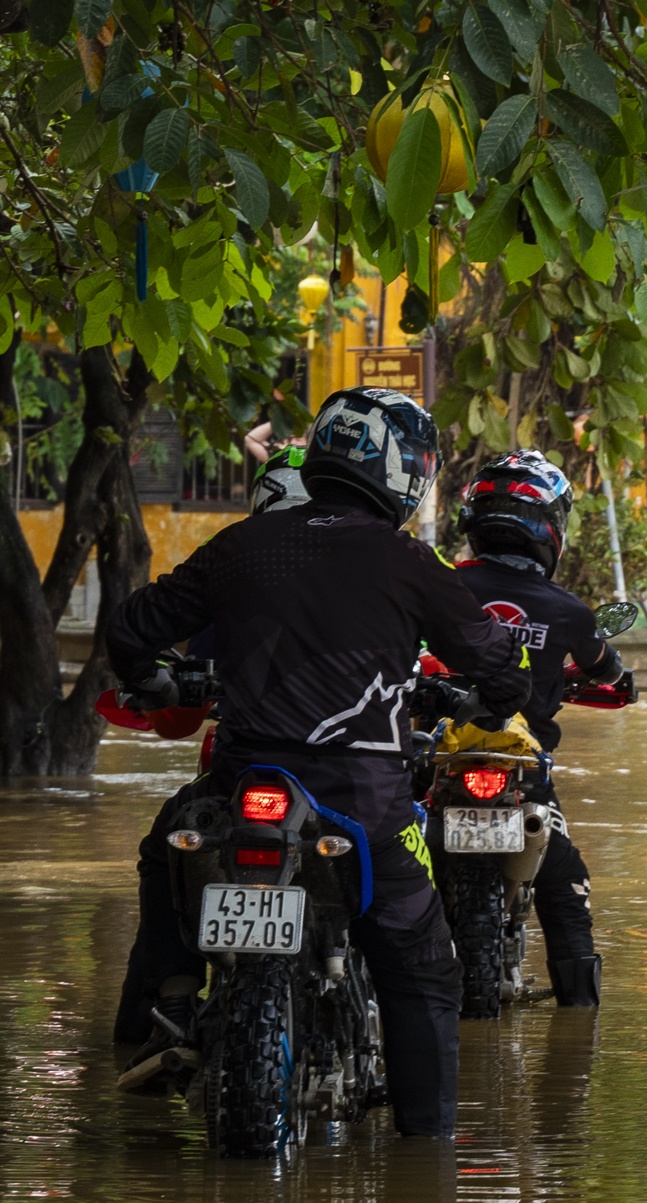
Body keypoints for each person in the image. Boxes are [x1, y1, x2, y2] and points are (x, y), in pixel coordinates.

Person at [107, 387, 531, 1138]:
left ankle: (168, 1008)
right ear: (406, 473)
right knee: (425, 967)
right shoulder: (411, 562)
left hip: (242, 787)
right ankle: (424, 1166)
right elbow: (493, 659)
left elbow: (135, 625)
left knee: (164, 850)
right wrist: (498, 697)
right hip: (363, 803)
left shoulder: (243, 544)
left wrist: (151, 680)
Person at [112, 448, 313, 1053]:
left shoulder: (232, 566)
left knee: (167, 850)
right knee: (404, 889)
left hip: (239, 770)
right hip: (346, 773)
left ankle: (169, 1000)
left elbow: (178, 697)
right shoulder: (378, 570)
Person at [450, 449, 631, 1007]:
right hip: (520, 769)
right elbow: (610, 673)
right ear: (551, 529)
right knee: (565, 884)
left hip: (432, 760)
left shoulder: (440, 585)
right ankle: (580, 1025)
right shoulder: (569, 611)